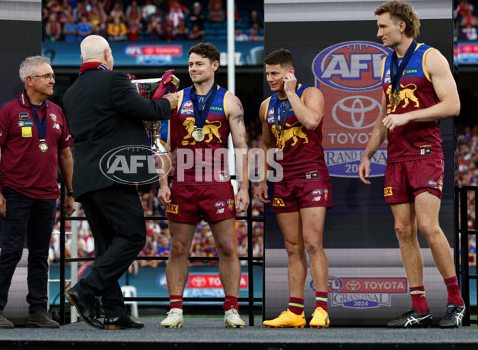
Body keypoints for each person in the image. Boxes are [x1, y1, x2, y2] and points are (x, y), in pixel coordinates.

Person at [358, 0, 464, 328]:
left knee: (429, 227)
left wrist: (408, 115)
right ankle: (420, 307)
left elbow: (453, 105)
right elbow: (383, 114)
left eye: (383, 27)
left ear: (400, 26)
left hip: (425, 152)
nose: (378, 33)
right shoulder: (385, 64)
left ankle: (457, 303)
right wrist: (368, 152)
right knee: (403, 230)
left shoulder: (431, 57)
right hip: (396, 157)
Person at [62, 35, 178, 330]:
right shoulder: (114, 81)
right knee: (133, 236)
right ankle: (86, 289)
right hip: (114, 173)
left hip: (86, 179)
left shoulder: (71, 93)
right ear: (107, 54)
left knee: (106, 246)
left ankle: (114, 313)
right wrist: (168, 102)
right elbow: (147, 112)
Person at [158, 42, 249, 328]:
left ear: (214, 65)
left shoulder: (230, 101)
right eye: (190, 64)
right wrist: (163, 181)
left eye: (198, 63)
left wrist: (244, 187)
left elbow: (242, 147)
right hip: (183, 184)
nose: (193, 69)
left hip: (217, 183)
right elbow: (165, 145)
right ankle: (175, 310)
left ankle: (232, 309)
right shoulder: (175, 99)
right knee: (178, 246)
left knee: (227, 247)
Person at [0, 56, 75, 328]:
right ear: (30, 80)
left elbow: (66, 155)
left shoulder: (57, 111)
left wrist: (70, 192)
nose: (52, 80)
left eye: (52, 75)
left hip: (48, 195)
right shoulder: (9, 110)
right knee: (11, 251)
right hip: (16, 193)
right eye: (46, 76)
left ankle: (37, 310)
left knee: (39, 254)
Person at [255, 48, 332, 329]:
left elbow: (311, 122)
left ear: (289, 73)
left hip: (312, 175)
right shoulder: (266, 105)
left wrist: (291, 93)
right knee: (292, 247)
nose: (270, 78)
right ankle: (295, 310)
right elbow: (266, 144)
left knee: (312, 243)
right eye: (267, 74)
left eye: (274, 73)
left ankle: (322, 308)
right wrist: (263, 179)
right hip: (283, 180)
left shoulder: (311, 93)